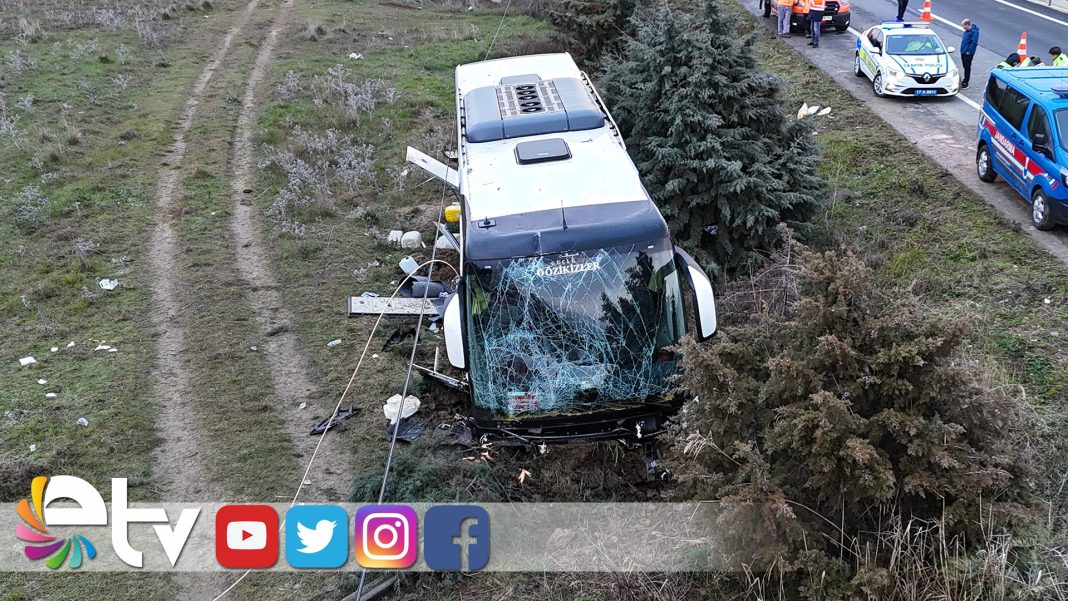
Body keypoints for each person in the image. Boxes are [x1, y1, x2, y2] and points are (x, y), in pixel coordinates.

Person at [959, 20, 978, 89]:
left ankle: (966, 82)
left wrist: (968, 51)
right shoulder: (966, 32)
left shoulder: (974, 32)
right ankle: (964, 80)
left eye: (963, 26)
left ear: (967, 25)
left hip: (968, 53)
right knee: (965, 67)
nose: (963, 27)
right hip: (963, 52)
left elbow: (974, 43)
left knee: (967, 67)